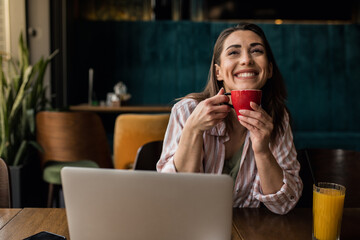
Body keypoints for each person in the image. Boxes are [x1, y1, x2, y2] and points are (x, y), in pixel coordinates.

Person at [157, 22, 303, 215]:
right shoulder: (186, 111)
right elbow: (172, 194)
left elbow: (283, 205)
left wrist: (262, 151)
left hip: (247, 230)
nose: (246, 60)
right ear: (218, 72)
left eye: (256, 51)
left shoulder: (277, 117)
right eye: (234, 52)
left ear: (268, 70)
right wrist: (192, 130)